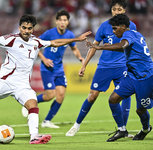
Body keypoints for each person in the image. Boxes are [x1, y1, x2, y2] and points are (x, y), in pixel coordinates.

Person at [0, 14, 91, 144]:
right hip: (4, 82)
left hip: (22, 86)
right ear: (19, 27)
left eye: (29, 28)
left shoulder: (36, 42)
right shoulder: (11, 39)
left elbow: (55, 42)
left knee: (32, 105)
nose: (26, 30)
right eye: (24, 28)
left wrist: (76, 39)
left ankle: (34, 136)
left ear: (33, 29)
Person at [66, 0, 136, 137]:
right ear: (111, 10)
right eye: (114, 9)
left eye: (120, 9)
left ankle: (123, 130)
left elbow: (132, 46)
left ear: (124, 11)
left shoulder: (131, 26)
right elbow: (94, 46)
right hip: (105, 66)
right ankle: (76, 125)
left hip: (122, 66)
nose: (117, 11)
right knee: (92, 96)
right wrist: (84, 64)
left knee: (125, 96)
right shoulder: (104, 26)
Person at [86, 13, 152, 142]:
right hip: (132, 75)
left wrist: (100, 47)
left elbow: (122, 45)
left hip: (145, 77)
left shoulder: (128, 34)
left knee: (140, 110)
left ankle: (145, 129)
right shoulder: (136, 34)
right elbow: (125, 49)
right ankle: (122, 129)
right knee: (113, 99)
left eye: (115, 28)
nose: (113, 31)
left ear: (123, 26)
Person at [22, 9, 85, 128]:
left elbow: (74, 48)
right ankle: (28, 102)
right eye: (60, 20)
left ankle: (46, 121)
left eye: (65, 20)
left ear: (68, 22)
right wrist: (44, 59)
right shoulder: (49, 33)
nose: (62, 22)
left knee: (61, 95)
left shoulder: (70, 35)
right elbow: (36, 46)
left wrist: (80, 57)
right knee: (50, 95)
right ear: (56, 21)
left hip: (59, 69)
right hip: (47, 68)